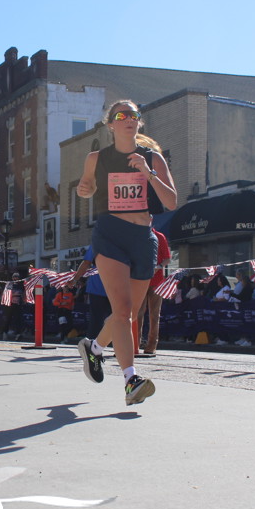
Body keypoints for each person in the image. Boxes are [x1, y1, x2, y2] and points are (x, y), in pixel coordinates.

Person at [75, 99, 177, 406]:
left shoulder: (153, 158)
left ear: (138, 121)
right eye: (121, 115)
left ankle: (94, 348)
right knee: (121, 311)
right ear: (111, 124)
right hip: (110, 235)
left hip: (143, 238)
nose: (128, 119)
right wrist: (83, 189)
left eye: (133, 114)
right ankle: (131, 380)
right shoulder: (96, 158)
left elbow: (171, 202)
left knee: (128, 314)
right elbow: (86, 187)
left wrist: (148, 173)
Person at [135, 228, 170, 357]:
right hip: (141, 280)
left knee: (154, 315)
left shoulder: (160, 236)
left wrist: (159, 266)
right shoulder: (137, 236)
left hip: (157, 281)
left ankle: (151, 346)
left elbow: (167, 258)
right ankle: (135, 344)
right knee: (138, 313)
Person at [0, 273, 25, 341]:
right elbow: (5, 293)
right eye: (14, 277)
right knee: (8, 319)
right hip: (9, 304)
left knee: (18, 319)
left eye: (16, 277)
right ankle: (5, 333)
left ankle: (18, 334)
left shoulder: (21, 286)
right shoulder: (9, 284)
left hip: (18, 304)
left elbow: (23, 294)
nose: (15, 278)